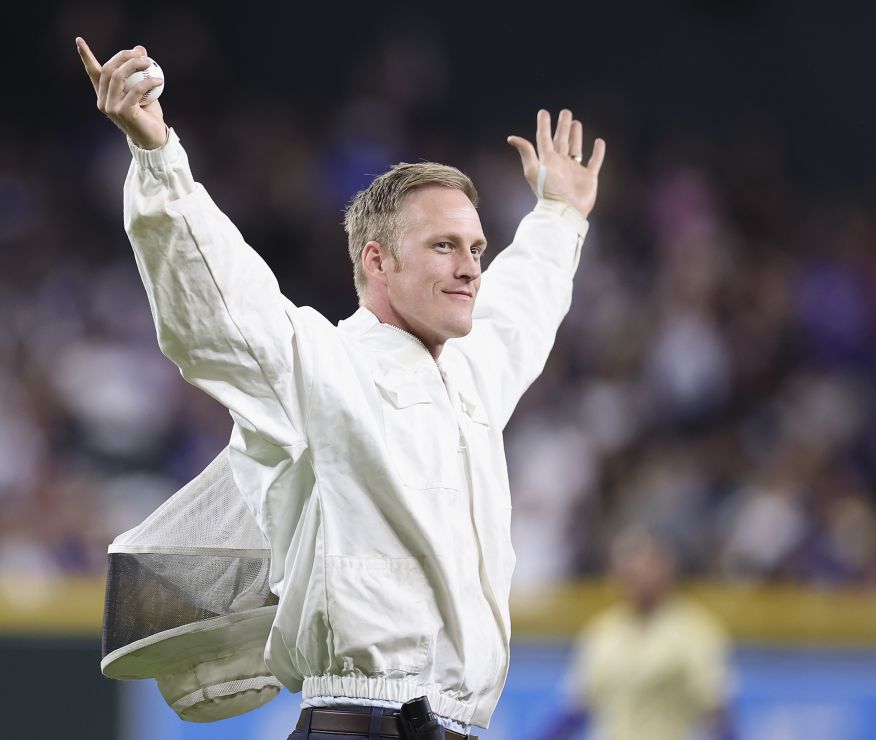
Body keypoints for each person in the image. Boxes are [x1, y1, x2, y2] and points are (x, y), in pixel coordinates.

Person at [75, 39, 605, 740]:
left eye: (476, 248)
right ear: (377, 261)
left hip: (459, 726)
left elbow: (522, 306)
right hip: (361, 720)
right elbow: (217, 306)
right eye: (444, 245)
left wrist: (559, 218)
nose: (472, 267)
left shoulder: (470, 372)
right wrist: (158, 157)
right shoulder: (325, 364)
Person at [544, 528, 733, 740]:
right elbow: (577, 708)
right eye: (631, 569)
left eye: (648, 567)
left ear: (667, 572)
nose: (639, 577)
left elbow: (716, 711)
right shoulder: (603, 630)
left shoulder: (694, 631)